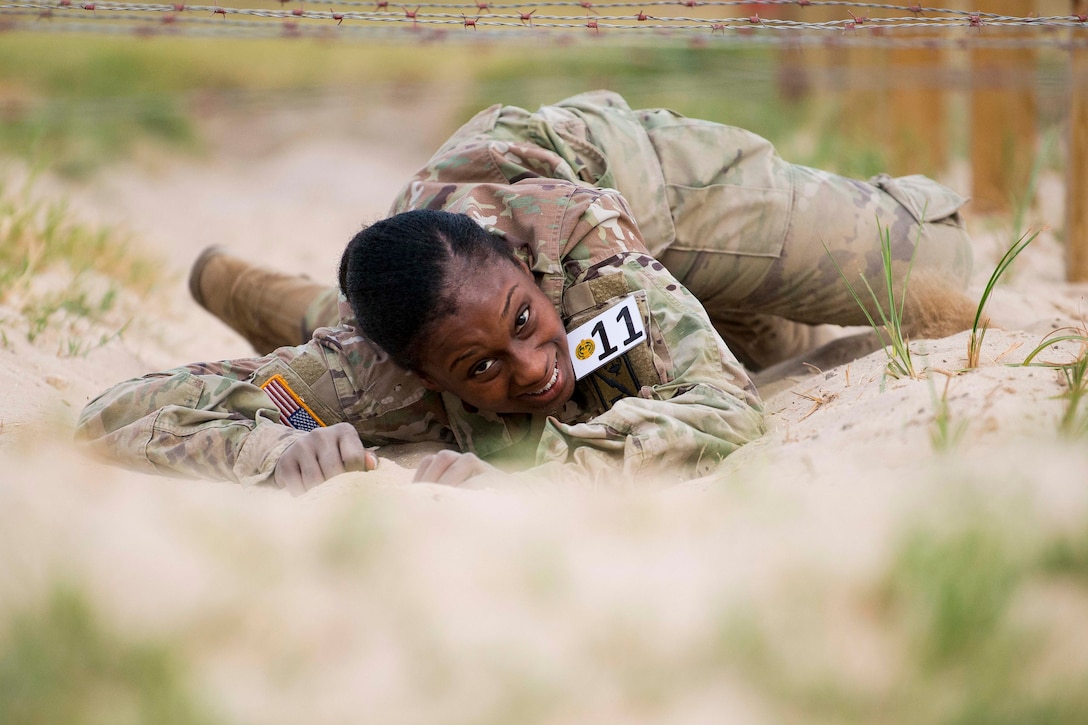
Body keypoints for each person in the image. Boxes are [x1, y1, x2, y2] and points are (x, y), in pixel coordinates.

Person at [75, 90, 976, 494]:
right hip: (418, 288)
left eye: (525, 324)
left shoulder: (579, 242)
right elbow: (117, 415)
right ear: (422, 375)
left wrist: (546, 471)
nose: (538, 369)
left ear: (525, 278)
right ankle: (268, 291)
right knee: (769, 345)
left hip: (631, 183)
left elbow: (724, 406)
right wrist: (268, 454)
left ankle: (283, 293)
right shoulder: (373, 371)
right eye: (482, 367)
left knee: (934, 275)